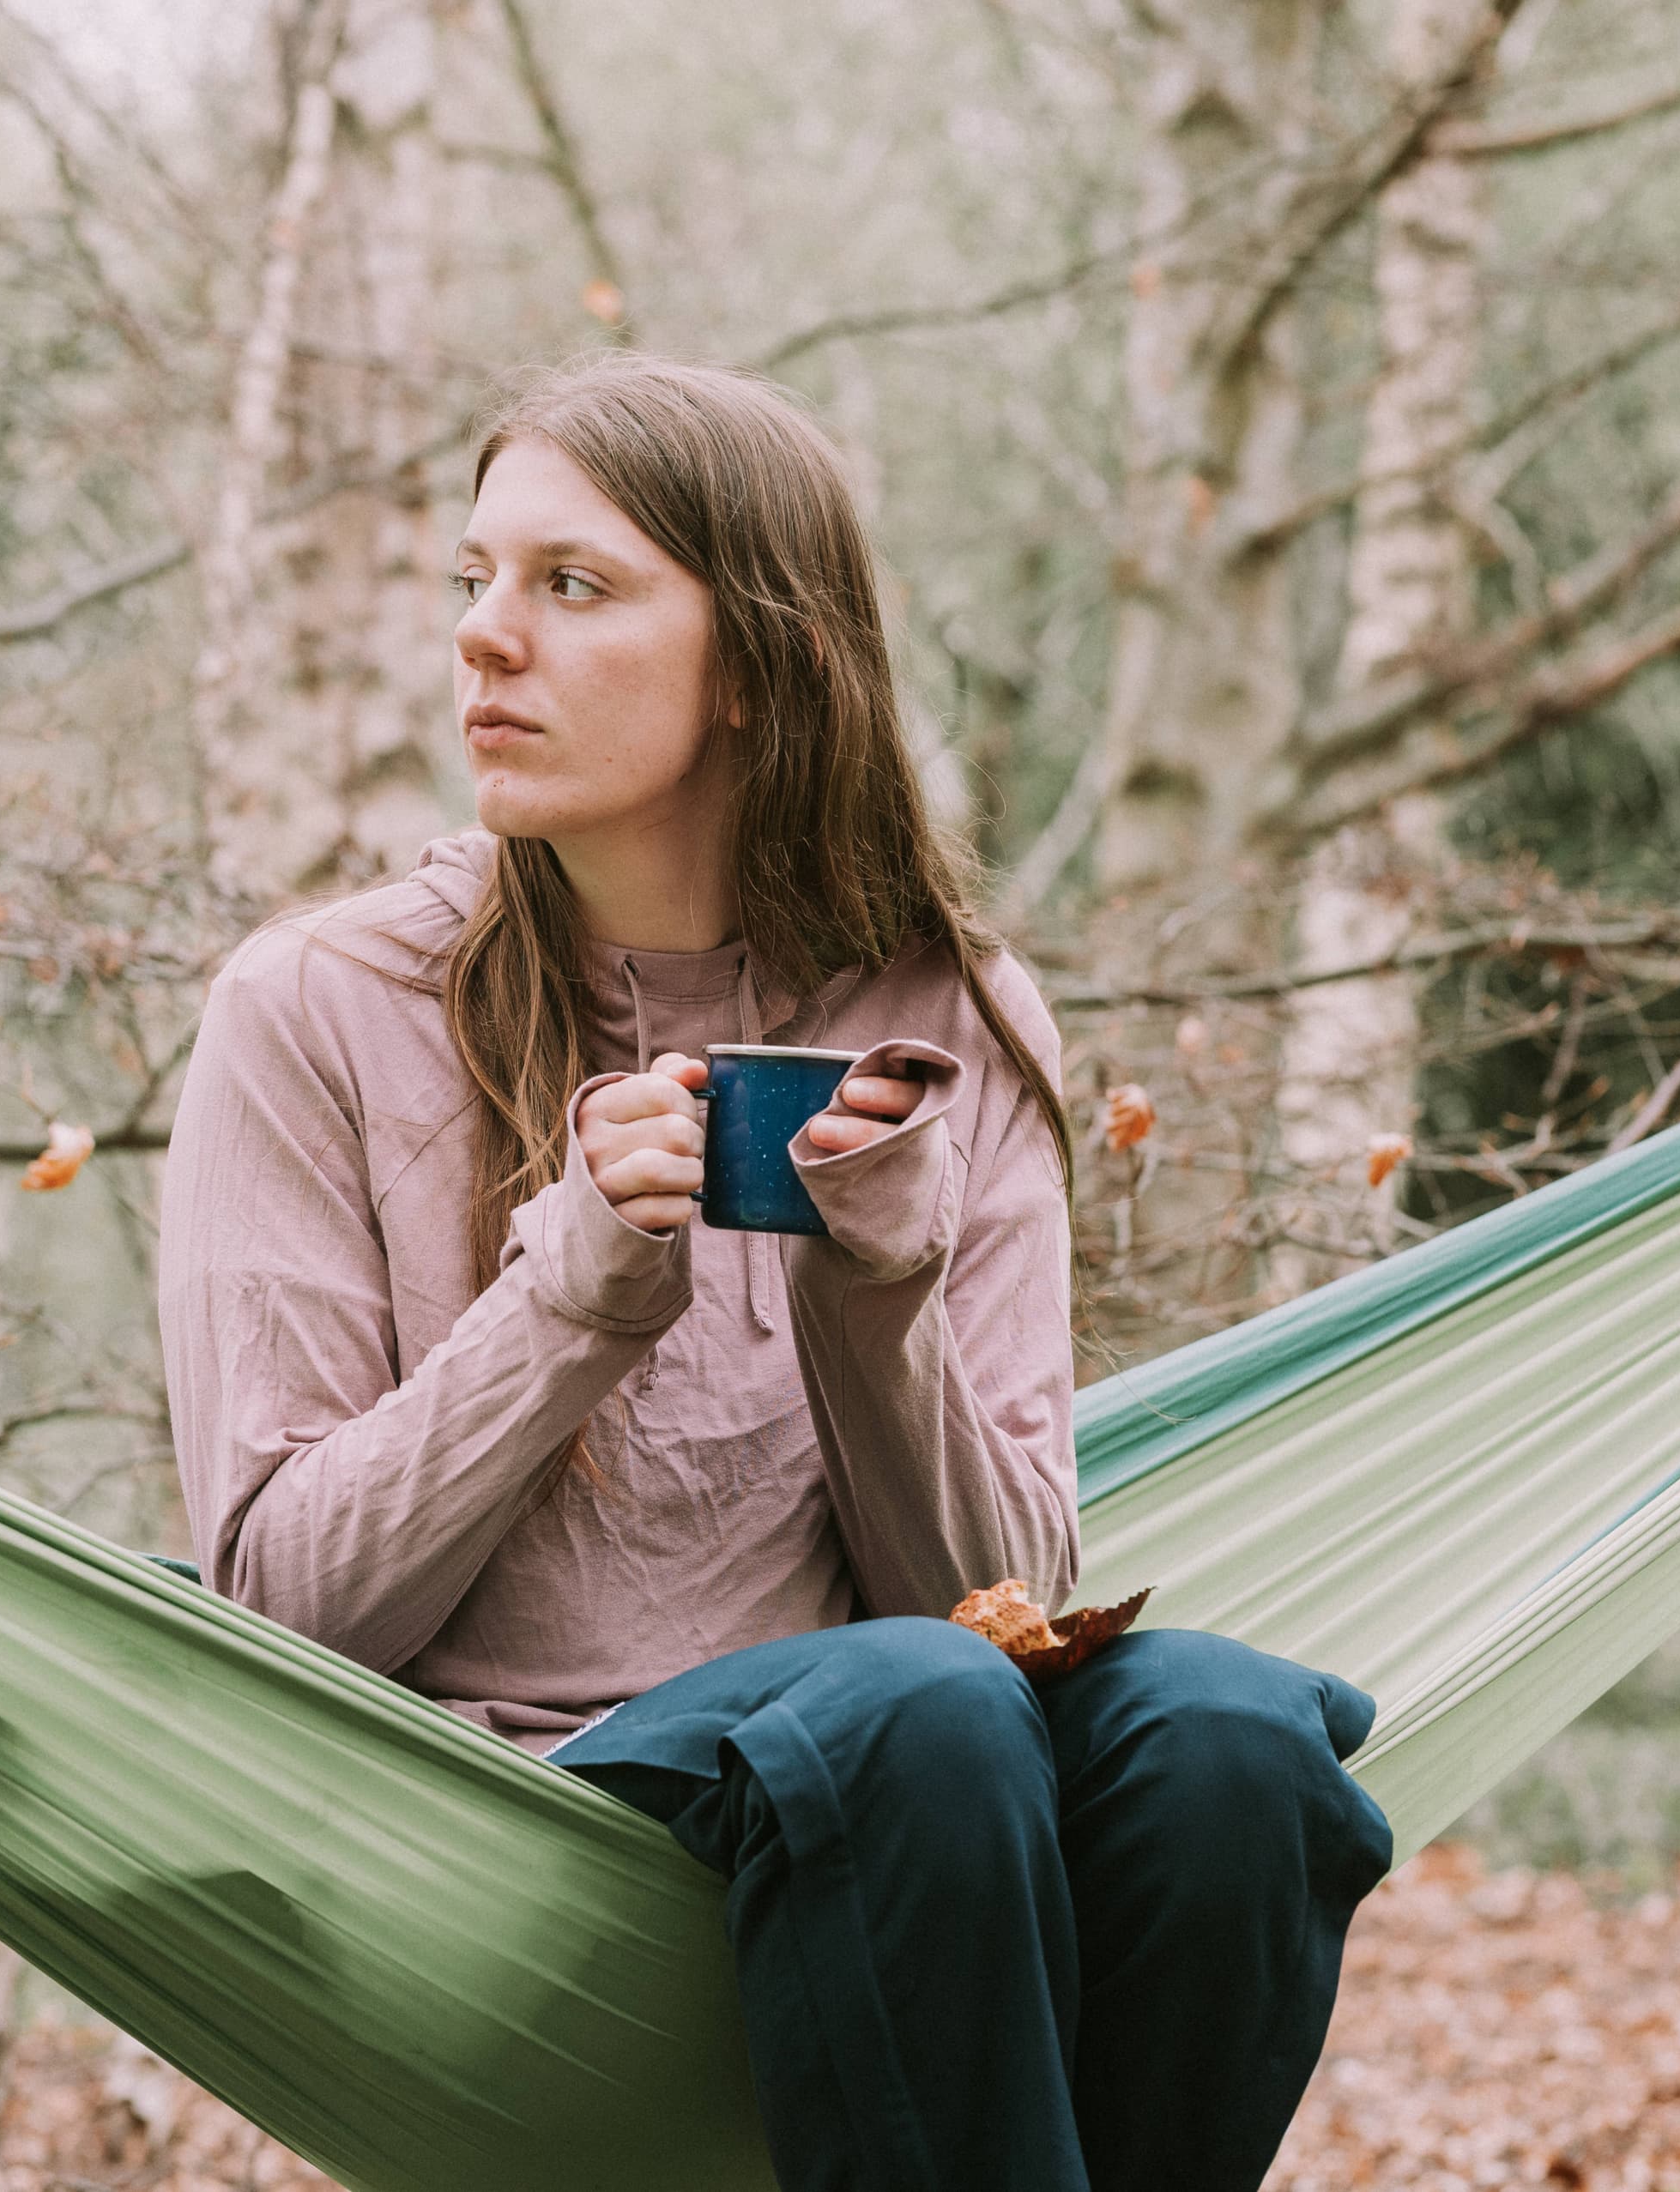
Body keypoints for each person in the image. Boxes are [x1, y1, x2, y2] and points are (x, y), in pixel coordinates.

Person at [156, 353, 1391, 2192]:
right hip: (518, 1823)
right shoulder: (322, 1013)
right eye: (474, 580)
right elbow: (279, 1610)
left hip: (920, 1783)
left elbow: (999, 1600)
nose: (488, 639)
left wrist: (873, 1296)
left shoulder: (946, 1021)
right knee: (923, 1705)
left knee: (1226, 1739)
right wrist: (570, 1297)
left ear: (755, 667)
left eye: (571, 586)